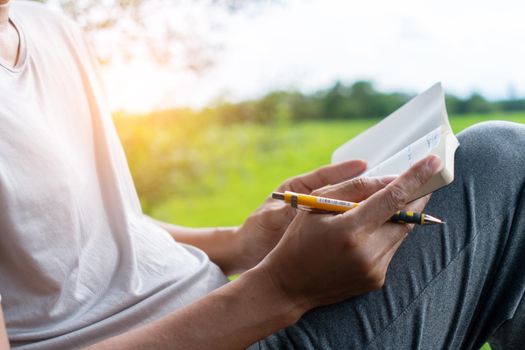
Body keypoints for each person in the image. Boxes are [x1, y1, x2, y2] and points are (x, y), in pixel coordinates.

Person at [1, 1, 524, 349]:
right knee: (502, 162)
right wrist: (279, 290)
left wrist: (238, 244)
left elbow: (91, 231)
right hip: (238, 324)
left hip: (232, 307)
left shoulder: (49, 25)